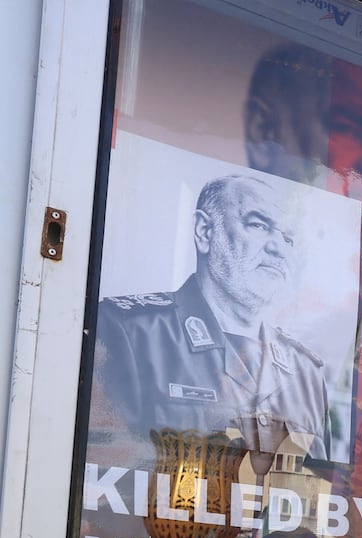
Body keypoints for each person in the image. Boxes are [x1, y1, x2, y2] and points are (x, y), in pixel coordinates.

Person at [94, 173, 328, 459]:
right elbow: (104, 475)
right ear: (205, 231)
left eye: (288, 238)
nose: (278, 248)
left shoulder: (305, 372)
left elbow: (319, 491)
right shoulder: (131, 332)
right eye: (258, 224)